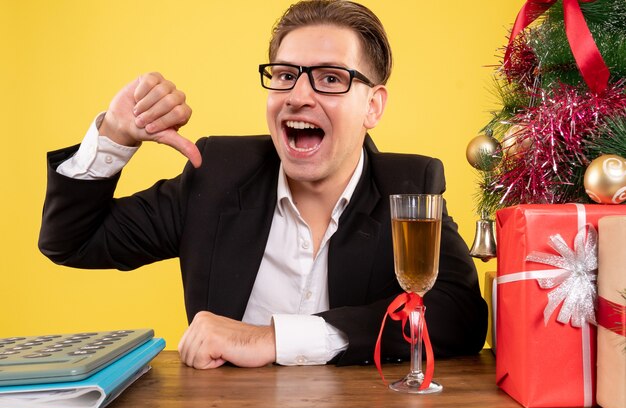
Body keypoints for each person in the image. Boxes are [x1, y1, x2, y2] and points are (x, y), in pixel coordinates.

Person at [39, 0, 487, 370]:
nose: (298, 95)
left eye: (330, 78)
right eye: (285, 75)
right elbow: (72, 242)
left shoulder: (406, 186)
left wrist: (276, 339)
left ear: (373, 105)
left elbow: (458, 315)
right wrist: (115, 134)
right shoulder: (216, 175)